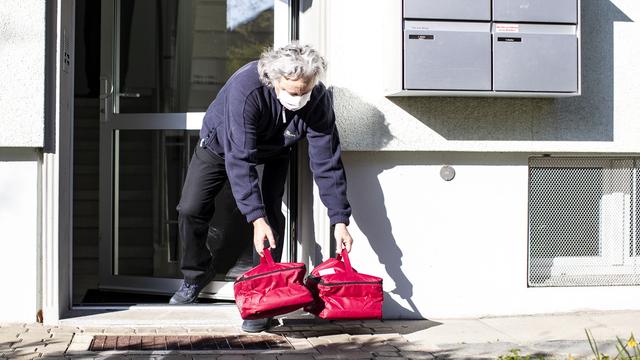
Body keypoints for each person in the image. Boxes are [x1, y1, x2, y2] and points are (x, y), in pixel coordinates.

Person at [169, 43, 354, 333]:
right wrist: (254, 218)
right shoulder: (247, 89)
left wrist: (340, 219)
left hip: (276, 150)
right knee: (191, 208)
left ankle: (264, 296)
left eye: (305, 90)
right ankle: (196, 273)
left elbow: (327, 163)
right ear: (274, 80)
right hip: (221, 145)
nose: (300, 98)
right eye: (293, 93)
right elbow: (240, 158)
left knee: (272, 215)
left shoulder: (316, 100)